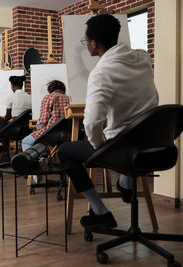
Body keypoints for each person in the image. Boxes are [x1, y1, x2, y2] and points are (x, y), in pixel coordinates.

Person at [57, 14, 158, 231]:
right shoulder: (142, 58)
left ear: (94, 44)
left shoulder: (101, 73)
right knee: (126, 132)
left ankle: (101, 212)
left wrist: (99, 148)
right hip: (154, 144)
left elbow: (92, 123)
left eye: (86, 41)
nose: (86, 46)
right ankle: (125, 182)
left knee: (65, 151)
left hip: (124, 148)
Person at [0, 75, 32, 164]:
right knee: (4, 129)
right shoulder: (30, 97)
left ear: (12, 86)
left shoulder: (11, 96)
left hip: (14, 130)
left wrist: (4, 121)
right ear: (22, 85)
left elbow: (8, 116)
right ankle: (3, 154)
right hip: (26, 130)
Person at [21, 80, 70, 152]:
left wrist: (39, 129)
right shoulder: (69, 99)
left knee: (26, 142)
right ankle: (43, 152)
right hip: (67, 135)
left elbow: (43, 121)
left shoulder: (49, 97)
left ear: (50, 89)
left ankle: (36, 161)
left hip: (51, 134)